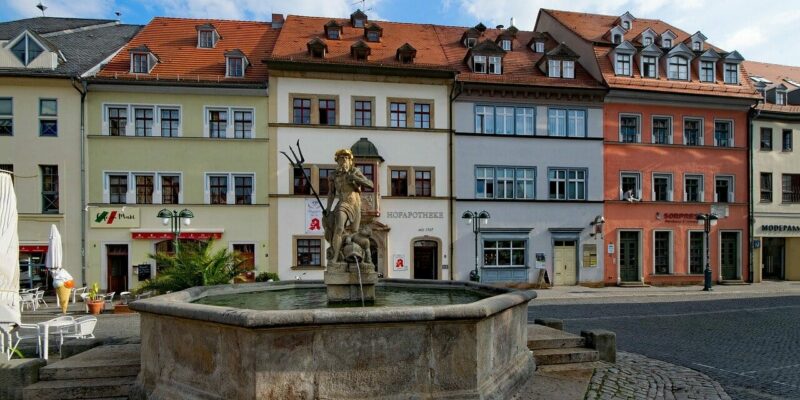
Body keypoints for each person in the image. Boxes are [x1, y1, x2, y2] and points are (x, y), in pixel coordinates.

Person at [324, 149, 373, 261]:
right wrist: (328, 208)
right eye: (342, 158)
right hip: (343, 203)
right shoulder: (333, 175)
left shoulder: (355, 171)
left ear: (350, 160)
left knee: (355, 232)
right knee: (339, 228)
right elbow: (331, 193)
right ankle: (335, 258)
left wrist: (355, 179)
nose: (344, 160)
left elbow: (370, 184)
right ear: (338, 161)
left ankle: (357, 257)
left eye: (346, 158)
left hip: (355, 204)